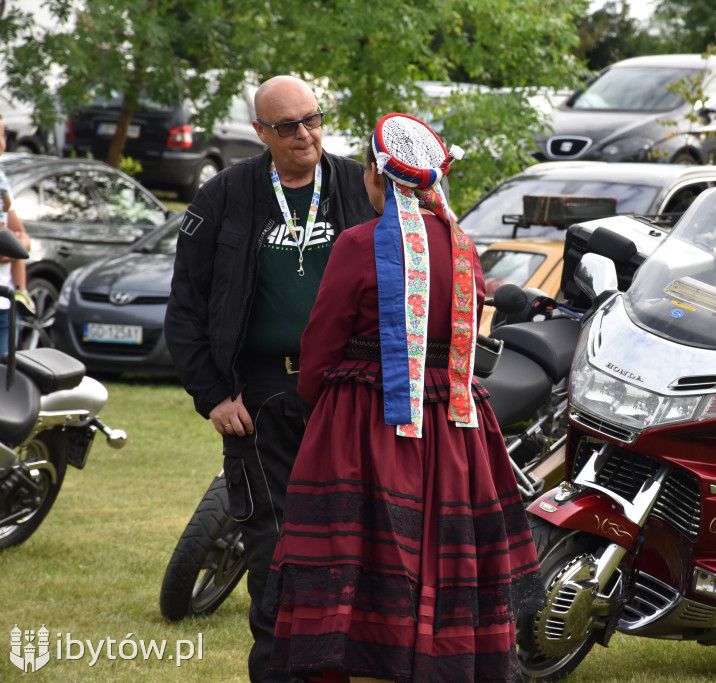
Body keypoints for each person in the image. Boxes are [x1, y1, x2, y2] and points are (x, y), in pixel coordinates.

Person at [263, 113, 544, 682]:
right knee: (441, 549)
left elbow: (322, 339)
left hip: (369, 421)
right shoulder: (464, 248)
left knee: (367, 551)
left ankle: (371, 663)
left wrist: (318, 401)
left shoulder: (359, 242)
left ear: (375, 174)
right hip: (456, 427)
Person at [164, 75, 377, 683]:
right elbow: (186, 306)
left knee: (350, 539)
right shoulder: (224, 196)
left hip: (344, 393)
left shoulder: (360, 189)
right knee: (274, 546)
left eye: (313, 119)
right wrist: (212, 395)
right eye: (288, 126)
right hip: (258, 398)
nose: (305, 134)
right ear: (261, 132)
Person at [0, 114, 36, 328]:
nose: (2, 141)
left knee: (7, 361)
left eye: (3, 134)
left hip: (5, 303)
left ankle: (22, 291)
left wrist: (14, 247)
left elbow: (22, 236)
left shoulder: (2, 178)